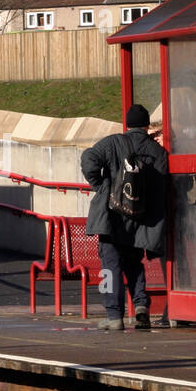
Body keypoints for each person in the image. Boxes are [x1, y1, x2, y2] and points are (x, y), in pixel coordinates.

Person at [80, 103, 168, 330]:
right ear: (147, 125)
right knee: (134, 263)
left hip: (112, 216)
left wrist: (101, 187)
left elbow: (89, 158)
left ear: (127, 124)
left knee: (110, 265)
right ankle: (141, 307)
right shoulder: (158, 152)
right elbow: (162, 187)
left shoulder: (113, 143)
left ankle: (114, 316)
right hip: (140, 219)